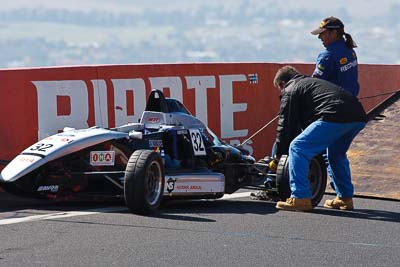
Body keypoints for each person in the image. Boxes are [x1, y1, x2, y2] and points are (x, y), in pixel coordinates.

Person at [272, 66, 366, 211]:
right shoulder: (309, 83)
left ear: (283, 83)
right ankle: (345, 198)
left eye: (280, 89)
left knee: (298, 147)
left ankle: (300, 197)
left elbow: (285, 124)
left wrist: (279, 154)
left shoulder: (290, 88)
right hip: (357, 115)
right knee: (335, 154)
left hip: (334, 114)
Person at [311, 16, 359, 96]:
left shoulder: (327, 56)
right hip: (353, 102)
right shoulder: (350, 50)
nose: (319, 37)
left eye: (322, 33)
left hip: (332, 105)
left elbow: (314, 85)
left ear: (333, 33)